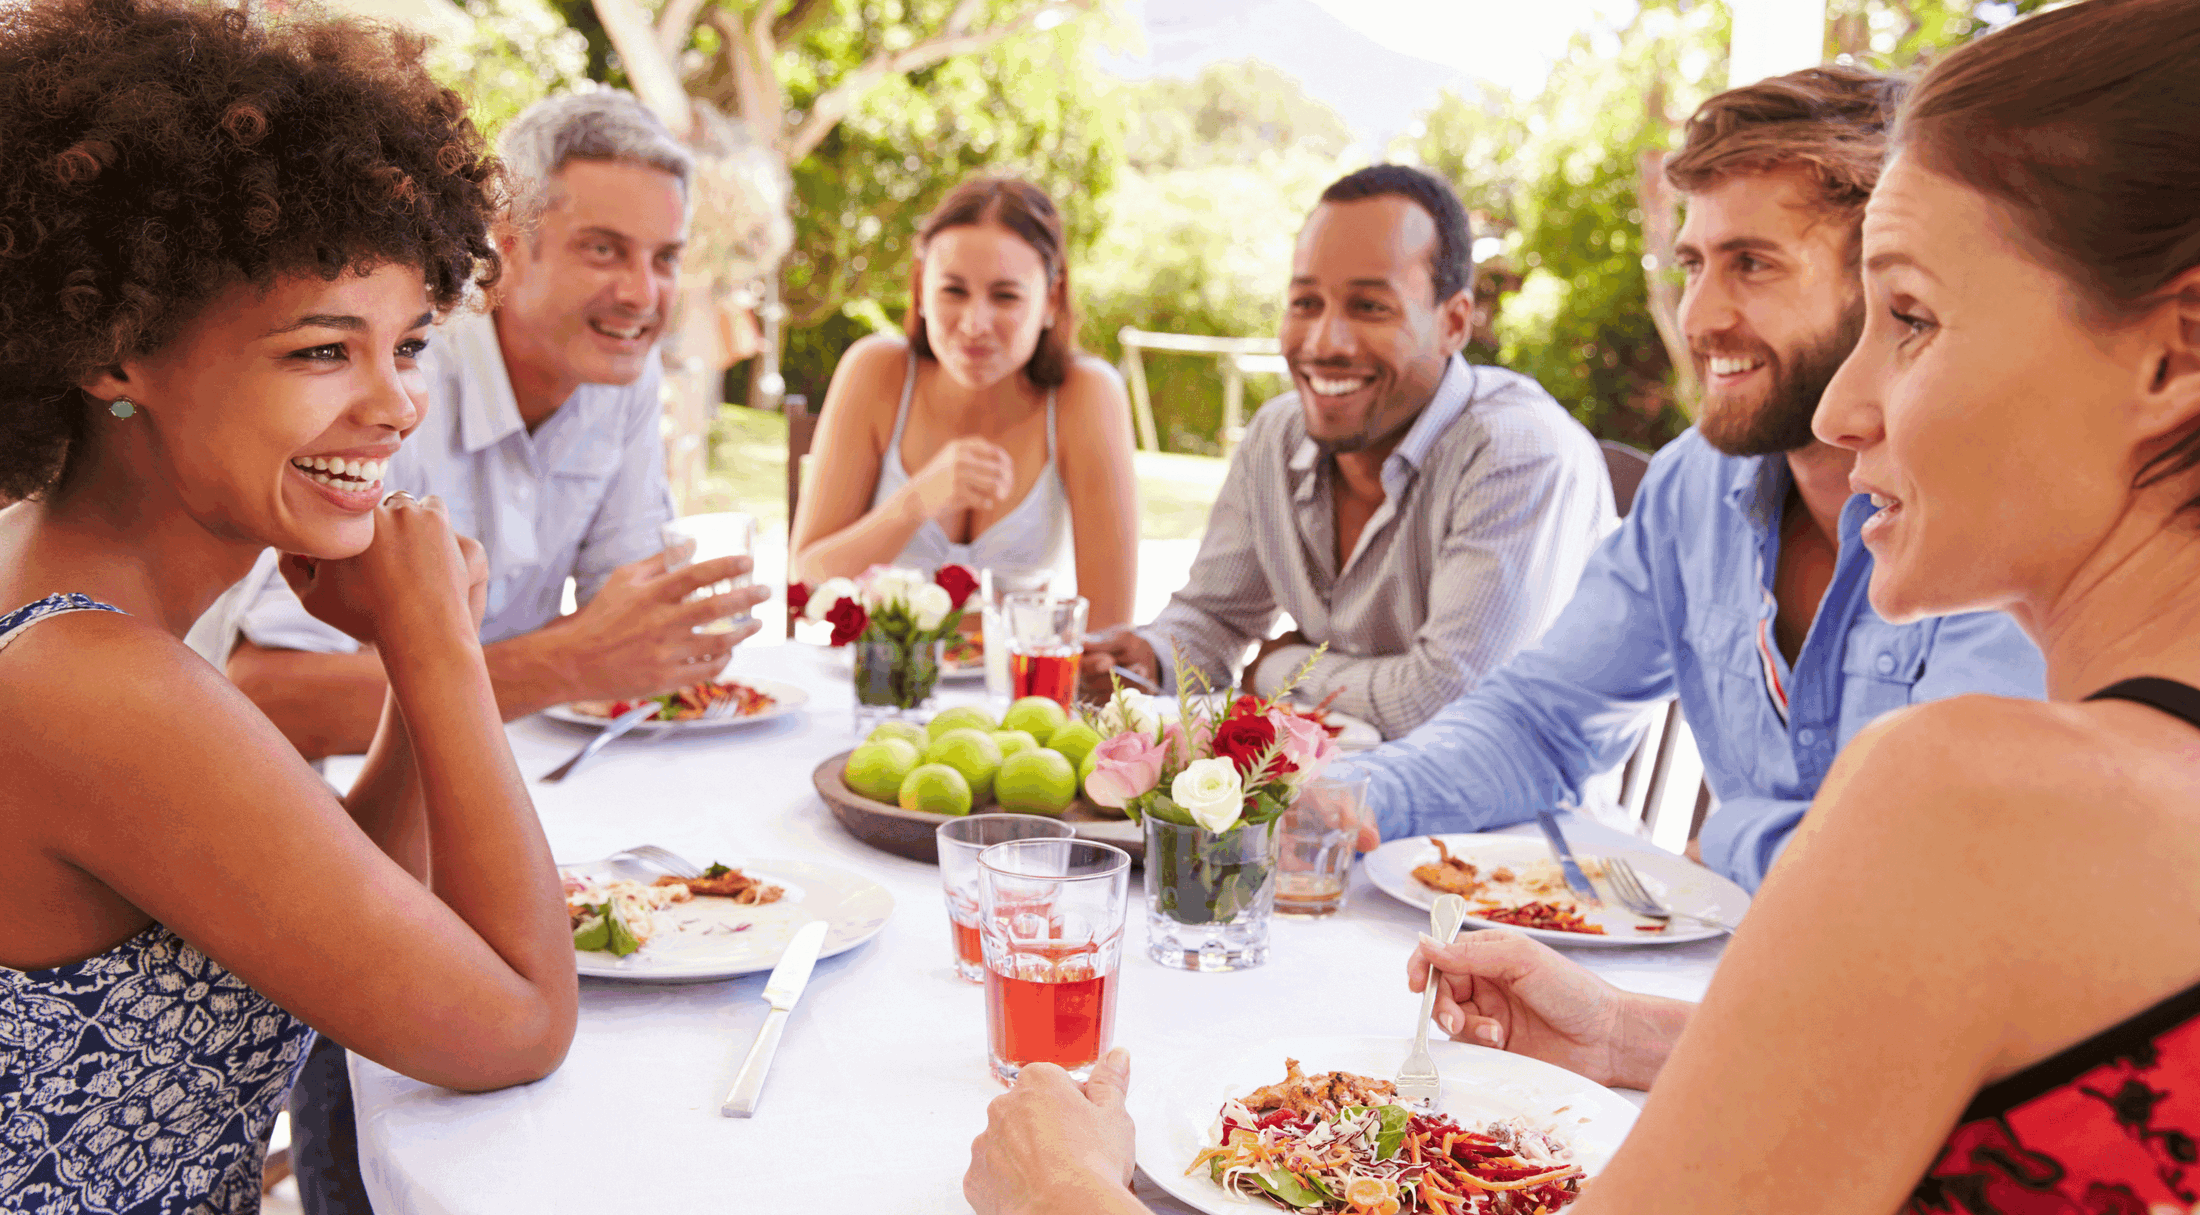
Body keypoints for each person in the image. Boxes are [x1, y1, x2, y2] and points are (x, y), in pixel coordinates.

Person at [966, 0, 2200, 1206]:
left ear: (2175, 353)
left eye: (1915, 318)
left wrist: (1068, 1194)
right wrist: (1633, 1040)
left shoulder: (1969, 794)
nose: (1841, 411)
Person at [0, 2, 580, 1211]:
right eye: (324, 352)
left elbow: (320, 904)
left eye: (409, 344)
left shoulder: (68, 608)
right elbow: (516, 1024)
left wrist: (429, 666)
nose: (397, 407)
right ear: (114, 351)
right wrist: (434, 653)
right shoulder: (96, 687)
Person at [1337, 67, 2045, 889]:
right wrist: (1353, 796)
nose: (1700, 317)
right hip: (1730, 993)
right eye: (1694, 264)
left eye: (1752, 264)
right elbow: (1542, 721)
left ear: (1885, 282)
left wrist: (1730, 834)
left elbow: (1937, 869)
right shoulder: (1695, 488)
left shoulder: (1997, 514)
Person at [208, 88, 766, 763]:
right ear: (506, 245)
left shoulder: (621, 376)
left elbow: (622, 625)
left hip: (517, 770)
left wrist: (646, 636)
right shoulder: (394, 381)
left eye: (665, 258)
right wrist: (567, 661)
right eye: (602, 249)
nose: (643, 295)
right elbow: (269, 695)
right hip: (338, 808)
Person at [1080, 165, 1615, 741]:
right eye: (1306, 303)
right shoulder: (1277, 436)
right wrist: (1149, 657)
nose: (1324, 343)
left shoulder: (1515, 452)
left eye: (1369, 307)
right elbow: (1216, 616)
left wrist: (1276, 668)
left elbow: (1447, 701)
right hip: (1329, 797)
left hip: (1509, 823)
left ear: (1454, 323)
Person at [791, 177, 1139, 629]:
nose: (975, 324)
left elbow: (1109, 630)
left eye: (1005, 296)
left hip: (1015, 692)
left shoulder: (1086, 395)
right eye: (953, 291)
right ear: (920, 289)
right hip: (878, 692)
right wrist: (915, 501)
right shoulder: (876, 371)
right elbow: (807, 581)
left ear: (1051, 299)